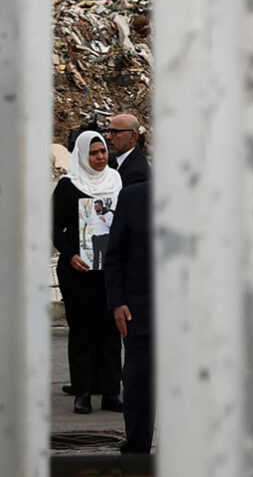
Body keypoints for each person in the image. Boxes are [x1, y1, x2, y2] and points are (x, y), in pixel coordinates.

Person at [52, 131, 124, 415]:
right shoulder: (69, 186)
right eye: (93, 153)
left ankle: (110, 392)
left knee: (109, 330)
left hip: (109, 270)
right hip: (79, 271)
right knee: (82, 331)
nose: (100, 157)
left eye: (103, 151)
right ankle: (82, 392)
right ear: (82, 154)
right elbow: (55, 228)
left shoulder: (116, 181)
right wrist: (70, 255)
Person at [104, 181, 154, 454]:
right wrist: (118, 302)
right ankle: (137, 454)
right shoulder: (133, 197)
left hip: (190, 317)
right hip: (140, 313)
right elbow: (115, 256)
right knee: (138, 387)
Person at [106, 114, 150, 186]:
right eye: (108, 131)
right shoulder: (115, 160)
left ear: (132, 136)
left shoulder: (137, 174)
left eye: (114, 132)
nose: (108, 137)